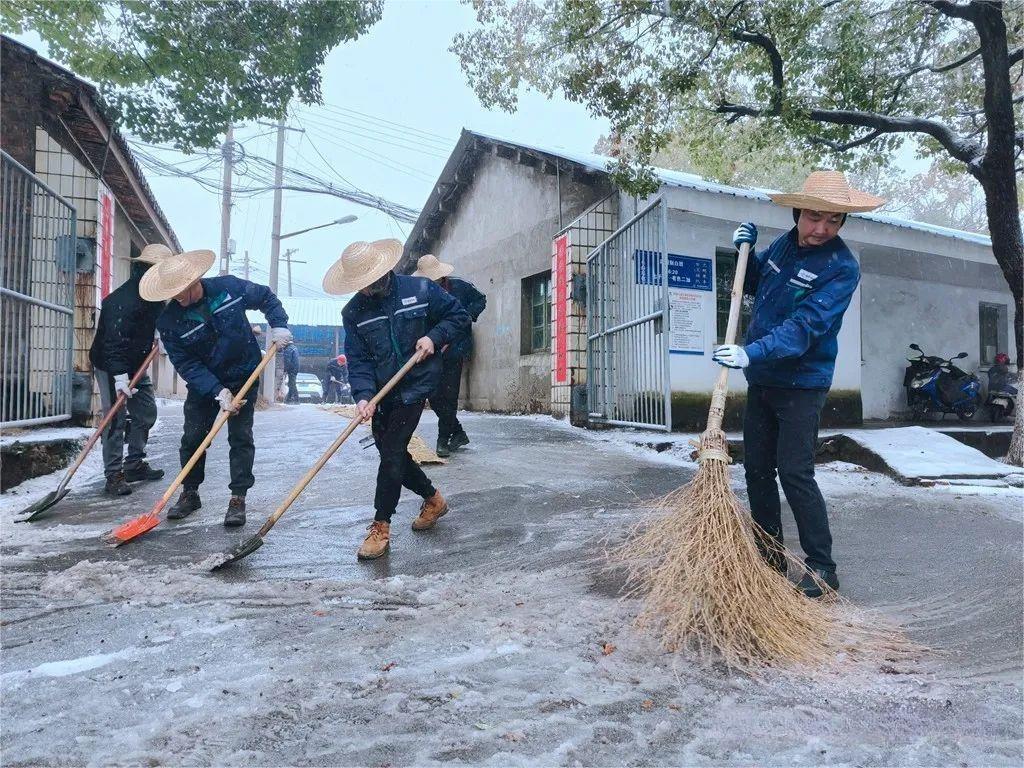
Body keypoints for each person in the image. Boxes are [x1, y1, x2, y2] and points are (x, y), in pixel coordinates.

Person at [712, 170, 885, 599]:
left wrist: (752, 351)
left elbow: (805, 327)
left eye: (834, 220)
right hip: (763, 380)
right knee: (756, 470)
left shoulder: (841, 268)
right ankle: (769, 555)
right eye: (813, 217)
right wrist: (745, 254)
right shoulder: (784, 245)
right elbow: (756, 285)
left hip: (802, 385)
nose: (821, 229)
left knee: (794, 472)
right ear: (797, 213)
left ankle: (823, 567)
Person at [323, 239, 470, 560]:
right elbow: (359, 360)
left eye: (368, 282)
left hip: (417, 383)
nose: (364, 290)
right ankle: (433, 499)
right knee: (393, 454)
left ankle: (381, 525)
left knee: (391, 451)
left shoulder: (420, 289)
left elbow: (458, 316)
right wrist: (364, 397)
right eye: (359, 285)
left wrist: (433, 337)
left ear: (381, 271)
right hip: (382, 390)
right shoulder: (354, 312)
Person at [141, 249, 292, 527]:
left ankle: (238, 498)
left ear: (193, 281)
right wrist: (218, 391)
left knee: (240, 437)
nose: (177, 299)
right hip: (206, 384)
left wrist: (279, 325)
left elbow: (265, 297)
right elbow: (186, 363)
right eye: (173, 295)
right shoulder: (169, 321)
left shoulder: (228, 288)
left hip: (244, 374)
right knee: (193, 438)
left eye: (180, 293)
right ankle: (190, 493)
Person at [88, 243, 171, 496]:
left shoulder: (155, 298)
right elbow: (112, 345)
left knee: (146, 413)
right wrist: (120, 378)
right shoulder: (121, 302)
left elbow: (163, 319)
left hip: (136, 364)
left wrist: (163, 332)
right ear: (146, 270)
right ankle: (113, 475)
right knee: (115, 417)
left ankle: (134, 464)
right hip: (110, 365)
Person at [413, 254, 487, 457]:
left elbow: (480, 300)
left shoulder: (460, 286)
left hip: (455, 348)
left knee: (449, 395)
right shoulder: (420, 293)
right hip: (433, 349)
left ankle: (443, 439)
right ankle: (458, 432)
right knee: (434, 395)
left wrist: (466, 316)